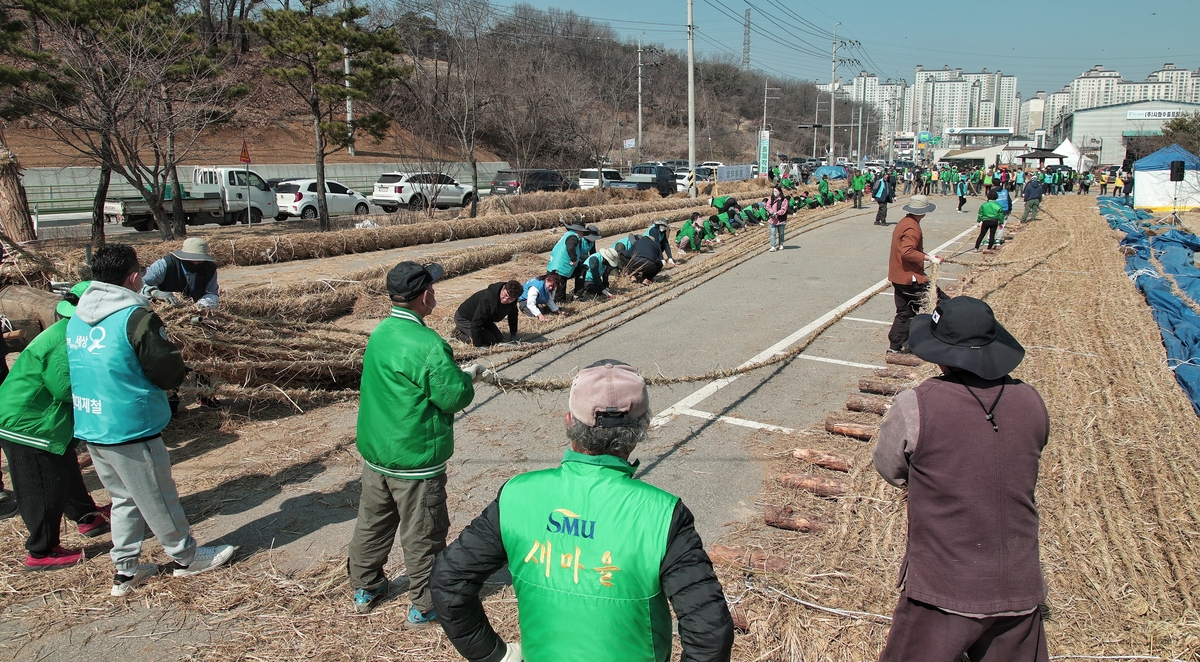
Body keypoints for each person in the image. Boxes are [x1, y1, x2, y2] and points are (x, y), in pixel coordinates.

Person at [431, 359, 735, 662]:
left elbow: (449, 580)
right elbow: (709, 632)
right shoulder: (663, 514)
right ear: (644, 427)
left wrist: (494, 655)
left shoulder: (517, 495)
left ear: (568, 421)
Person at [874, 296, 1050, 662]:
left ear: (939, 353)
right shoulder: (1032, 401)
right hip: (1019, 582)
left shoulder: (917, 404)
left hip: (944, 583)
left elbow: (889, 467)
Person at [66, 244, 234, 597]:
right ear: (132, 277)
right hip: (130, 423)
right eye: (139, 272)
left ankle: (125, 571)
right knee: (158, 495)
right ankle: (187, 558)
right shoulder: (134, 317)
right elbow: (168, 370)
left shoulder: (78, 317)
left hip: (92, 423)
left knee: (124, 498)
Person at [350, 261, 483, 624]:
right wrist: (468, 377)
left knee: (373, 522)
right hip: (415, 459)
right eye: (433, 289)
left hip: (378, 453)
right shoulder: (428, 344)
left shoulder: (381, 333)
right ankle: (425, 605)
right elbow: (452, 396)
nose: (435, 294)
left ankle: (366, 586)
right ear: (424, 296)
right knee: (423, 533)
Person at [0, 281, 112, 570]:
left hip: (45, 421)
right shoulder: (65, 339)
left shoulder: (69, 331)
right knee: (43, 486)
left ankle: (87, 517)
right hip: (27, 423)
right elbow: (63, 389)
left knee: (65, 471)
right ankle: (41, 550)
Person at [887, 195, 944, 354]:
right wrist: (928, 258)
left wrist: (928, 256)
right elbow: (907, 252)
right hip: (910, 278)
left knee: (905, 312)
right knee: (941, 304)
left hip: (899, 276)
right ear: (923, 212)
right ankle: (942, 340)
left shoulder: (904, 222)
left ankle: (895, 346)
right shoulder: (912, 227)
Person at [141, 237, 220, 309]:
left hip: (194, 310)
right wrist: (155, 292)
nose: (196, 263)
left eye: (199, 261)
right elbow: (139, 285)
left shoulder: (209, 268)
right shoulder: (165, 264)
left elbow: (212, 293)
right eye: (192, 260)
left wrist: (201, 305)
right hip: (165, 309)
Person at [453, 280, 522, 347]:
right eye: (505, 295)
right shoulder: (487, 298)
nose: (505, 299)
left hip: (485, 318)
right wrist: (478, 345)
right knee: (490, 341)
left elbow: (513, 316)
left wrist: (513, 333)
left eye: (510, 299)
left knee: (499, 338)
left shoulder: (513, 301)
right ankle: (458, 333)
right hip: (465, 318)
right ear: (503, 288)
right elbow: (477, 321)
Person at [546, 224, 592, 302]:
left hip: (557, 266)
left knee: (582, 269)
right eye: (583, 232)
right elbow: (571, 247)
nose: (583, 235)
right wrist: (574, 259)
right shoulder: (573, 237)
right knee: (560, 297)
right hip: (559, 269)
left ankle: (577, 294)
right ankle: (558, 300)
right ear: (578, 231)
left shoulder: (568, 235)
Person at [766, 185, 788, 252]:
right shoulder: (771, 199)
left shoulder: (784, 200)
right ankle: (773, 246)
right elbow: (768, 206)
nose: (774, 192)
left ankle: (781, 244)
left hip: (780, 219)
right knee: (772, 233)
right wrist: (770, 211)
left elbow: (784, 209)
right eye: (773, 191)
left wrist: (777, 213)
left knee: (781, 232)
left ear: (779, 191)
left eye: (776, 191)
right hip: (772, 219)